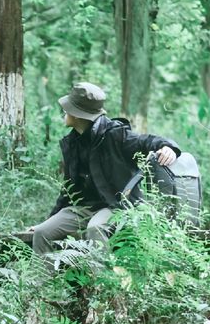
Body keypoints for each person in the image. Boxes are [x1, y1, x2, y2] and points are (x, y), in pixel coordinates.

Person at [30, 82, 181, 256]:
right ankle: (43, 283)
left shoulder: (116, 135)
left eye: (68, 109)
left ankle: (100, 282)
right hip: (82, 208)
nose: (65, 112)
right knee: (42, 233)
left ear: (78, 115)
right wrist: (50, 220)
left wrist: (168, 147)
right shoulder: (72, 143)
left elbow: (146, 141)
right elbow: (68, 190)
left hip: (115, 206)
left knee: (95, 228)